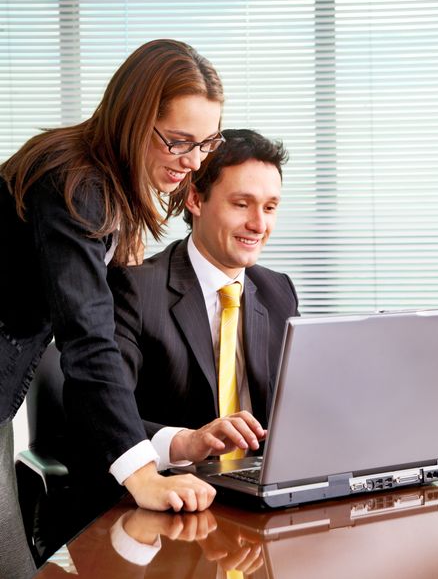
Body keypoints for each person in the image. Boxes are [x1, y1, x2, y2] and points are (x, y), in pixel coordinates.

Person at [0, 38, 223, 578]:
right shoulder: (73, 180)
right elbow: (87, 334)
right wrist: (142, 474)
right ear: (134, 118)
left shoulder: (104, 185)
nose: (192, 162)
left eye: (205, 144)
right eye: (177, 141)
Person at [108, 129, 299, 467]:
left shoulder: (278, 292)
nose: (259, 224)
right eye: (242, 204)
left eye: (270, 208)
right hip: (173, 491)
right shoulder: (136, 290)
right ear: (194, 199)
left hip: (260, 492)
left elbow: (297, 409)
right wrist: (185, 442)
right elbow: (103, 413)